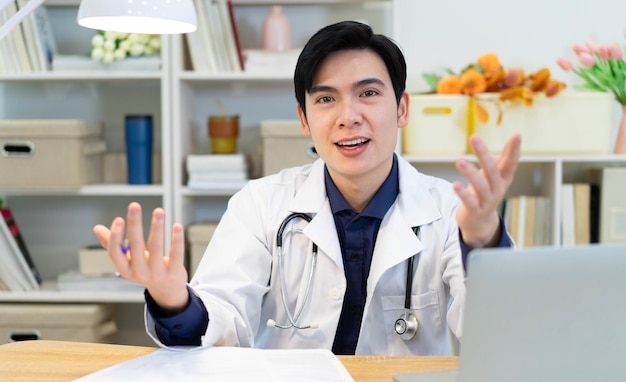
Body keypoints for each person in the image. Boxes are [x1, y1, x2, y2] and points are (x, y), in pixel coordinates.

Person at [94, 20, 521, 355]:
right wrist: (173, 300)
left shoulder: (449, 210)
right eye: (325, 99)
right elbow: (224, 319)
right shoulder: (260, 204)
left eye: (368, 93)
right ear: (304, 119)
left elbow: (497, 334)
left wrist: (482, 239)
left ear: (402, 107)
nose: (348, 116)